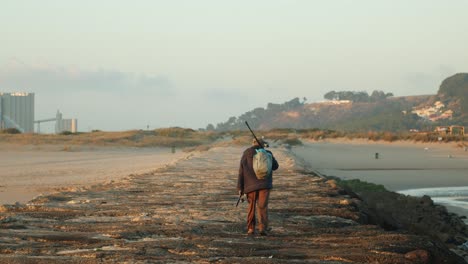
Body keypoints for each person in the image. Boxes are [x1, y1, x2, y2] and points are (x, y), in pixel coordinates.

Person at [237, 138, 279, 236]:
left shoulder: (246, 153)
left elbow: (241, 171)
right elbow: (275, 166)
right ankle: (262, 228)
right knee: (262, 207)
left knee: (251, 206)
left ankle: (251, 228)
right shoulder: (268, 153)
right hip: (265, 184)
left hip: (250, 185)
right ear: (263, 145)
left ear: (253, 143)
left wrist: (240, 187)